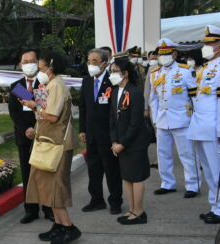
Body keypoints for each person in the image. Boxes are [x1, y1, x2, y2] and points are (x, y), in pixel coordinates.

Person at [21, 50, 81, 244]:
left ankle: (69, 227)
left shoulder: (57, 85)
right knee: (45, 186)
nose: (38, 70)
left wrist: (33, 106)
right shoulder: (49, 84)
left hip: (58, 144)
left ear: (51, 67)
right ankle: (58, 225)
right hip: (48, 141)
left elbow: (53, 117)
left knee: (56, 188)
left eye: (41, 66)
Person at [149, 38, 200, 198]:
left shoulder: (185, 71)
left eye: (167, 54)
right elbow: (153, 99)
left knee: (187, 154)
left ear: (175, 54)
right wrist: (155, 119)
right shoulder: (154, 73)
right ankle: (167, 183)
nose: (163, 57)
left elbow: (194, 97)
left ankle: (193, 185)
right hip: (162, 119)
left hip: (182, 119)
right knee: (163, 154)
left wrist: (194, 119)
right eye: (161, 54)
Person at [8, 49, 53, 224]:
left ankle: (49, 209)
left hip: (42, 136)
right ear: (20, 64)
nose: (29, 64)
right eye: (25, 62)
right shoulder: (17, 86)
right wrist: (26, 129)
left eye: (32, 61)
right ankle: (31, 210)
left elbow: (44, 109)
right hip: (24, 137)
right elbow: (14, 112)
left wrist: (36, 129)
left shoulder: (44, 83)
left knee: (44, 174)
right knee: (28, 175)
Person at [79, 48, 123, 214]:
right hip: (91, 134)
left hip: (108, 134)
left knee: (112, 170)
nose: (91, 65)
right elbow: (83, 107)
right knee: (94, 169)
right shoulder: (87, 81)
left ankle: (115, 201)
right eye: (89, 61)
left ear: (104, 63)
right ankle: (96, 200)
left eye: (95, 61)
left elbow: (116, 110)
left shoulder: (112, 81)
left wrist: (116, 136)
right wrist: (82, 129)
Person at [109, 57, 150, 225]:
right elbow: (111, 118)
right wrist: (113, 141)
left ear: (125, 73)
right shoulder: (114, 91)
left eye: (115, 71)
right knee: (127, 177)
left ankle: (139, 212)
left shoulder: (135, 92)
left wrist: (122, 143)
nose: (112, 75)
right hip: (119, 142)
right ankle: (132, 209)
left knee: (137, 177)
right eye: (111, 72)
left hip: (134, 143)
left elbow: (135, 123)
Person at [188, 25, 220, 224]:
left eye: (211, 43)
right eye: (206, 43)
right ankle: (214, 205)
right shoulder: (205, 68)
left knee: (217, 170)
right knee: (208, 170)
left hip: (213, 127)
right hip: (200, 126)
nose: (206, 46)